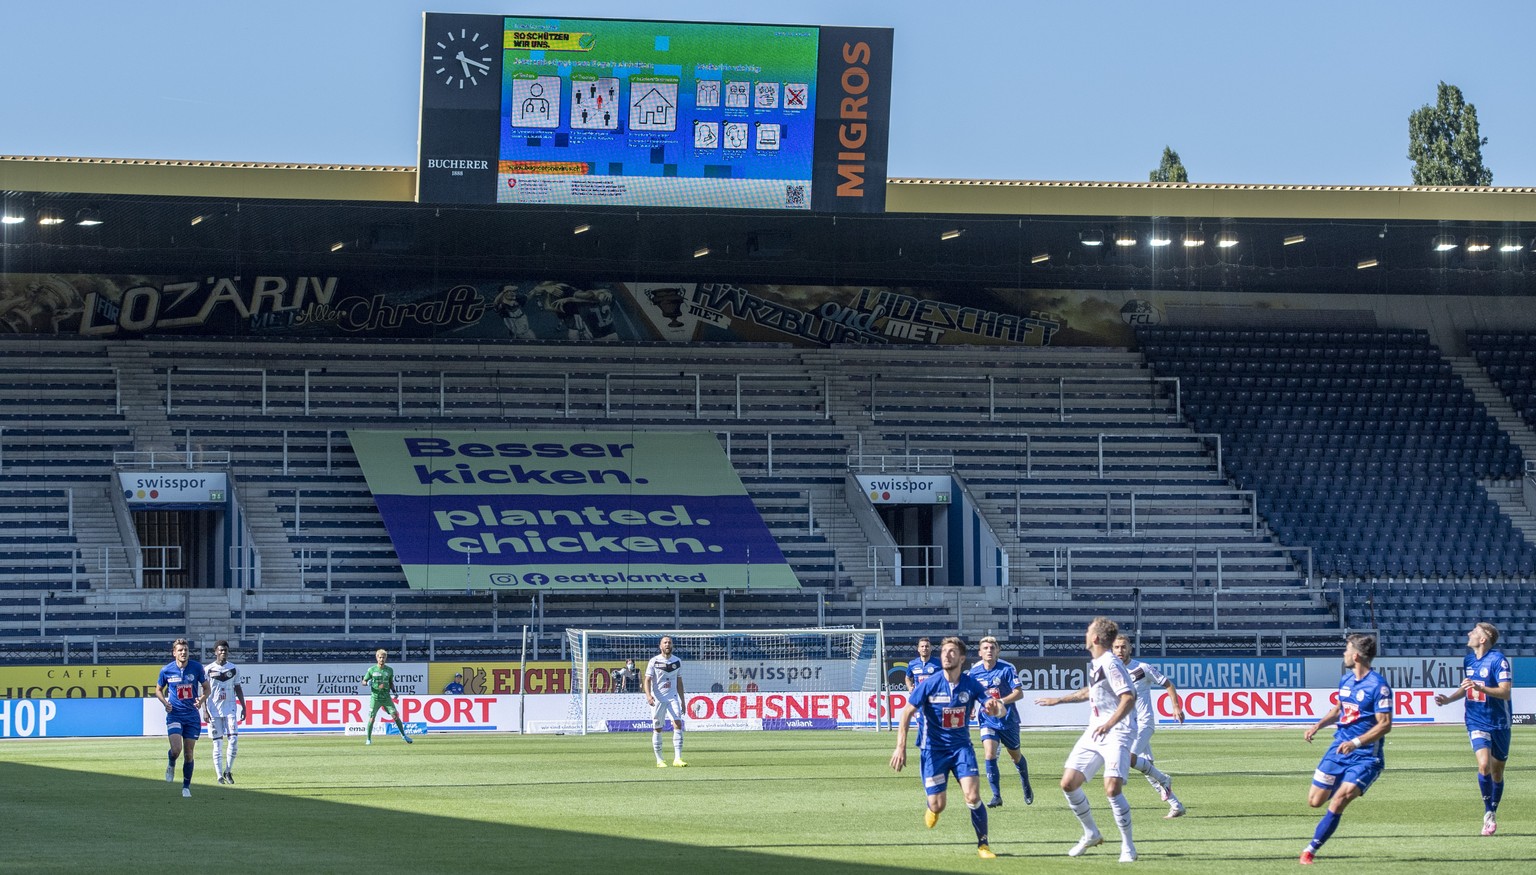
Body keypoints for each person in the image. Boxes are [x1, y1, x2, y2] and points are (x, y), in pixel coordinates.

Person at [1034, 617, 1139, 863]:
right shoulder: (1097, 663)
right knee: (1068, 783)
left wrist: (1109, 724)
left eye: (1087, 631)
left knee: (1112, 789)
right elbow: (1090, 691)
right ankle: (1091, 833)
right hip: (1096, 729)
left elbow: (1129, 697)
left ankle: (1128, 846)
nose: (1084, 634)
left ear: (1094, 638)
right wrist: (1059, 700)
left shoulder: (1111, 663)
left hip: (1117, 730)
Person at [891, 636, 1001, 859]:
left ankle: (983, 845)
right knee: (938, 804)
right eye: (943, 652)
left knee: (972, 796)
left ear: (961, 658)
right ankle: (932, 808)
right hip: (933, 750)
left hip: (961, 749)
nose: (946, 655)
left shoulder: (970, 684)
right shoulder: (930, 683)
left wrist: (995, 709)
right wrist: (900, 747)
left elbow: (998, 708)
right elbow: (906, 713)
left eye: (951, 652)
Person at [1299, 633, 1393, 865]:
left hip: (1364, 756)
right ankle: (1344, 782)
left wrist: (1356, 743)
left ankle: (1310, 850)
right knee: (1314, 801)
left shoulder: (1378, 686)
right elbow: (1339, 709)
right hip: (1337, 749)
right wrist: (1317, 726)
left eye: (1346, 650)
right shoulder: (1346, 680)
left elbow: (1385, 724)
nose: (1343, 654)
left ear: (1357, 655)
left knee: (1338, 800)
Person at [1434, 621, 1513, 836]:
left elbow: (1505, 692)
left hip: (1499, 723)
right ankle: (1488, 813)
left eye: (1474, 632)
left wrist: (1481, 687)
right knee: (1484, 765)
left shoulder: (1498, 660)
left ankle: (1493, 811)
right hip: (1475, 720)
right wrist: (1449, 699)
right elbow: (1467, 687)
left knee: (1497, 772)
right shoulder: (1468, 659)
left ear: (1483, 639)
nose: (1469, 633)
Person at [1113, 635, 1186, 818]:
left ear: (1130, 648)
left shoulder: (1142, 668)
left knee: (1129, 758)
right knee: (1146, 768)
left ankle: (1164, 779)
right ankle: (1176, 805)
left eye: (1123, 647)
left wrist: (1176, 706)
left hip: (1144, 723)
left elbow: (1168, 684)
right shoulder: (1112, 671)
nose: (1120, 651)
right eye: (1116, 647)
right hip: (1128, 726)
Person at [968, 635, 1034, 807]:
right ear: (980, 652)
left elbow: (1019, 693)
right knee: (989, 754)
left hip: (1008, 720)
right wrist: (971, 708)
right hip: (987, 720)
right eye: (986, 648)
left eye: (992, 648)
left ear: (998, 651)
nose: (989, 650)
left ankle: (1025, 781)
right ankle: (996, 796)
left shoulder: (1007, 668)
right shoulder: (974, 672)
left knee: (1015, 756)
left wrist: (1001, 702)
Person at [155, 638, 211, 798]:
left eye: (185, 650)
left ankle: (186, 787)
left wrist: (201, 700)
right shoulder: (166, 670)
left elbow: (207, 688)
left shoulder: (196, 668)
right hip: (175, 713)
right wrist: (165, 702)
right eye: (180, 650)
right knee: (176, 749)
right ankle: (171, 762)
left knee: (189, 753)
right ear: (174, 653)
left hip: (192, 716)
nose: (183, 652)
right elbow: (158, 690)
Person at [202, 639, 246, 785]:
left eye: (225, 650)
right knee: (217, 744)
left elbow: (238, 687)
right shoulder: (208, 669)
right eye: (220, 650)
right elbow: (203, 690)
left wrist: (244, 706)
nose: (223, 652)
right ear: (215, 652)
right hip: (213, 710)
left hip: (230, 708)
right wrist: (204, 710)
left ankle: (228, 770)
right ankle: (219, 775)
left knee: (233, 740)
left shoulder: (234, 669)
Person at [644, 636, 686, 767]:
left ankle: (677, 759)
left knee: (678, 724)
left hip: (673, 697)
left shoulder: (677, 661)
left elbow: (679, 682)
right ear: (660, 646)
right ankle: (659, 760)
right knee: (658, 728)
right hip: (658, 698)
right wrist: (648, 696)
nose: (667, 644)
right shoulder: (654, 661)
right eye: (665, 642)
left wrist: (683, 701)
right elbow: (647, 680)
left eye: (669, 642)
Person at [360, 648, 414, 745]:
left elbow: (390, 682)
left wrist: (394, 692)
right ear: (377, 658)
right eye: (380, 657)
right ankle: (368, 739)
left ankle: (403, 735)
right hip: (375, 698)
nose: (382, 659)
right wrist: (367, 682)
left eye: (383, 657)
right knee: (372, 718)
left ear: (386, 658)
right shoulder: (371, 670)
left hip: (386, 697)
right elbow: (363, 682)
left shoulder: (389, 670)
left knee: (395, 715)